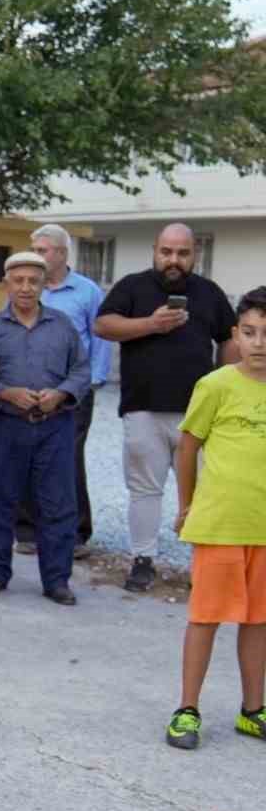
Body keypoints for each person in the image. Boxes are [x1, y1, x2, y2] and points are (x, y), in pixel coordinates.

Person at [93, 223, 238, 593]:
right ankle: (143, 562)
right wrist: (151, 324)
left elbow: (228, 341)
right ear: (155, 250)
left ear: (195, 255)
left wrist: (233, 385)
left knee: (205, 491)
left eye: (183, 253)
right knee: (145, 489)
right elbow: (104, 325)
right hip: (143, 408)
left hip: (199, 414)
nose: (174, 260)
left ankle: (203, 566)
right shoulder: (132, 286)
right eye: (167, 252)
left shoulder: (209, 292)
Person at [164, 288, 266, 750]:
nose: (259, 343)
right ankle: (187, 709)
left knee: (259, 621)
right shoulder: (217, 385)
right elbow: (189, 446)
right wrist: (186, 507)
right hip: (220, 523)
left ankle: (252, 710)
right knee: (206, 618)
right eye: (250, 333)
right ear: (235, 335)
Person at [0, 251, 91, 605]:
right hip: (6, 426)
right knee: (0, 499)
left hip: (56, 427)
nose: (25, 287)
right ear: (6, 284)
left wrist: (62, 393)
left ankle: (56, 579)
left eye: (33, 281)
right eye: (18, 281)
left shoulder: (63, 326)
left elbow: (82, 370)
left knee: (58, 503)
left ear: (43, 285)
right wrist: (6, 392)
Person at [12, 224, 111, 560]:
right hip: (28, 389)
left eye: (43, 251)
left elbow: (99, 339)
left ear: (62, 253)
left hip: (72, 392)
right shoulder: (29, 289)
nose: (36, 257)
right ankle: (26, 530)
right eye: (34, 249)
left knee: (67, 458)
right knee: (25, 455)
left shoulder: (86, 292)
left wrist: (90, 383)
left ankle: (77, 533)